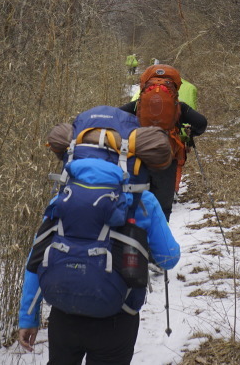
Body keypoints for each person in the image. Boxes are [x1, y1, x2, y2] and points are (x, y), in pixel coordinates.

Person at [16, 121, 181, 364]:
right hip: (117, 317)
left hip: (64, 313)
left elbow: (36, 260)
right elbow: (169, 258)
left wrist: (28, 318)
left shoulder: (63, 198)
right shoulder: (142, 200)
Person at [120, 64, 207, 221]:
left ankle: (137, 240)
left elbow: (117, 116)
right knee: (161, 210)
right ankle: (159, 239)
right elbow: (201, 123)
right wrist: (192, 132)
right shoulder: (178, 107)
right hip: (166, 159)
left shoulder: (137, 105)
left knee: (136, 208)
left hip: (138, 158)